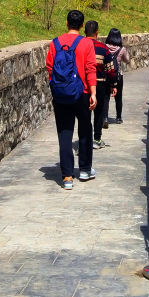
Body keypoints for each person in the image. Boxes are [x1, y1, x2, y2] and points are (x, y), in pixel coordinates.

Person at [46, 10, 97, 189]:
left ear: (66, 23)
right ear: (82, 26)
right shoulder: (86, 43)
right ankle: (84, 170)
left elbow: (50, 68)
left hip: (61, 94)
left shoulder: (55, 43)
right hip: (82, 92)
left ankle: (67, 176)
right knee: (84, 129)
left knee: (64, 133)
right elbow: (91, 68)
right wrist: (93, 93)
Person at [85, 20, 117, 149]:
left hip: (84, 84)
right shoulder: (103, 48)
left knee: (85, 114)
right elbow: (110, 69)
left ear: (85, 32)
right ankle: (97, 139)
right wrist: (113, 84)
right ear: (97, 33)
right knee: (99, 113)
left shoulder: (79, 46)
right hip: (100, 85)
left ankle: (85, 140)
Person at [104, 28, 129, 125]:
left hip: (106, 75)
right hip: (117, 75)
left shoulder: (105, 47)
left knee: (105, 97)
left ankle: (105, 117)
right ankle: (118, 117)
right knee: (118, 97)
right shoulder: (121, 49)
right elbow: (127, 60)